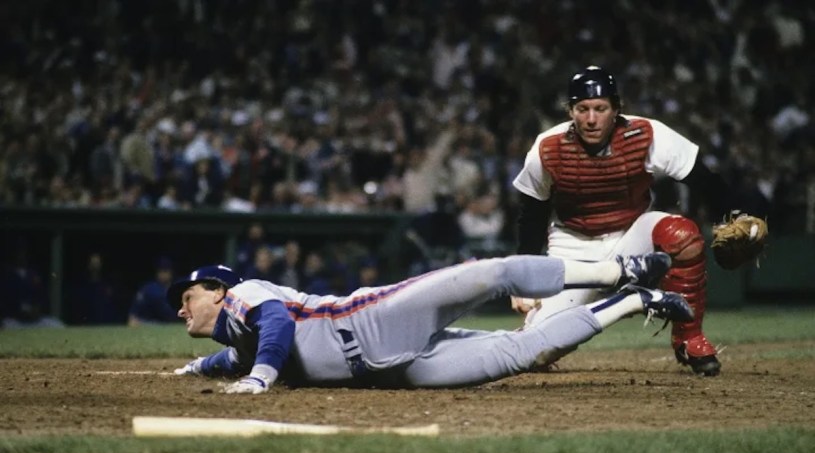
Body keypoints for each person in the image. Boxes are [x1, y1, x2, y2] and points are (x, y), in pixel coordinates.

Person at [170, 252, 693, 393]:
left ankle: (617, 271)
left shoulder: (245, 295)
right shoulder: (240, 341)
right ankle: (633, 300)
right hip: (396, 372)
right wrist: (197, 367)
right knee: (522, 353)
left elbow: (278, 325)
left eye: (188, 297)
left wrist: (261, 377)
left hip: (374, 320)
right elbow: (233, 358)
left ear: (218, 291)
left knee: (493, 273)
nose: (181, 309)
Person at [511, 66, 728, 376]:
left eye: (600, 108)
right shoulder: (547, 147)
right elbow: (531, 216)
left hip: (632, 239)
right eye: (582, 109)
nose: (591, 118)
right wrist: (523, 281)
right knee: (533, 354)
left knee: (682, 234)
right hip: (573, 251)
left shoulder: (646, 133)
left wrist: (734, 215)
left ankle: (689, 339)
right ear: (570, 111)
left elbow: (703, 178)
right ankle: (632, 299)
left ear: (616, 109)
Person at [128, 257, 178, 326]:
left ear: (171, 272)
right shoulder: (148, 289)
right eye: (160, 271)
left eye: (165, 271)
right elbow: (133, 317)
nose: (163, 274)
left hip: (173, 324)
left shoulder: (178, 288)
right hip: (152, 323)